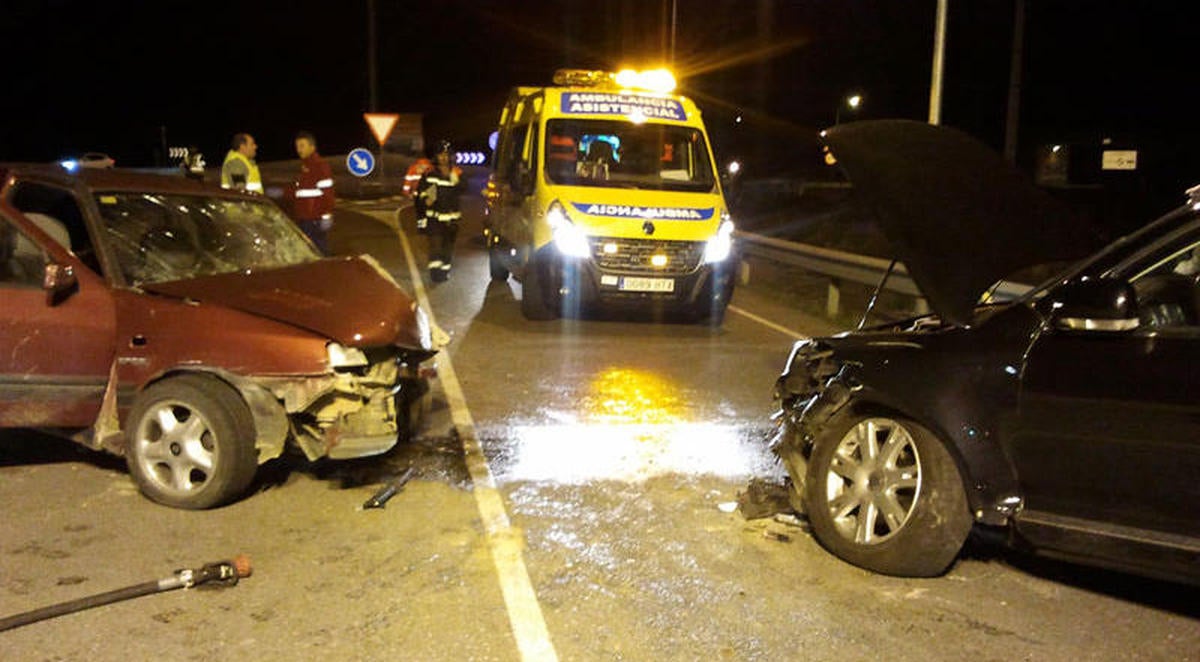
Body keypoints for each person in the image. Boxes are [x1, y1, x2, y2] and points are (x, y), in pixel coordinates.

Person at [415, 140, 465, 282]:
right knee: (435, 247)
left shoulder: (456, 172)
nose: (443, 158)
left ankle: (444, 272)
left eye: (446, 155)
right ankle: (436, 274)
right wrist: (426, 200)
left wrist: (456, 179)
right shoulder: (430, 174)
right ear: (436, 157)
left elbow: (463, 188)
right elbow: (422, 192)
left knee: (447, 249)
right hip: (434, 220)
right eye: (440, 155)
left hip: (451, 220)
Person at [291, 131, 336, 254]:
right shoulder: (305, 167)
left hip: (314, 219)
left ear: (312, 147)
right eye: (297, 146)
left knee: (319, 251)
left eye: (302, 146)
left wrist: (327, 215)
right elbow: (301, 191)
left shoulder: (319, 166)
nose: (298, 149)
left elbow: (328, 193)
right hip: (305, 218)